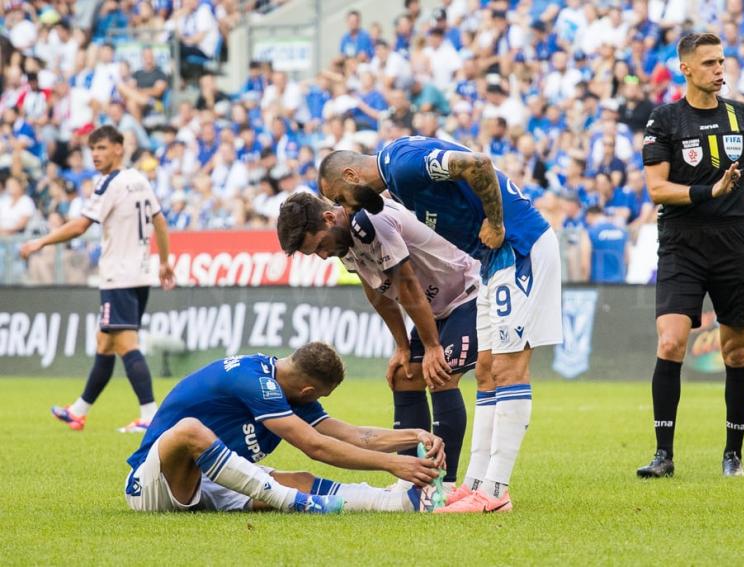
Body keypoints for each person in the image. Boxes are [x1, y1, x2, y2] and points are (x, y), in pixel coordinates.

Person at [317, 136, 563, 513]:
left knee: (508, 369)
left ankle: (495, 492)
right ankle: (474, 485)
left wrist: (496, 223)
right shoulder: (396, 178)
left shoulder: (401, 164)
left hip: (519, 246)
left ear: (351, 175)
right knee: (485, 371)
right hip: (492, 261)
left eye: (339, 197)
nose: (342, 207)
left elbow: (477, 163)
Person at [638, 33, 744, 478]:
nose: (719, 70)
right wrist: (709, 190)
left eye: (722, 61)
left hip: (733, 241)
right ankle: (664, 454)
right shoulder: (664, 120)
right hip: (681, 239)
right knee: (670, 341)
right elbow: (657, 189)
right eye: (708, 63)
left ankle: (732, 454)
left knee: (736, 353)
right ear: (685, 68)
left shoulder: (743, 118)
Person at [277, 191, 481, 490]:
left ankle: (443, 486)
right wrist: (401, 346)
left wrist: (433, 347)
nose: (322, 255)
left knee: (440, 374)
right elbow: (377, 294)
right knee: (404, 375)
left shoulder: (369, 222)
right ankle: (414, 481)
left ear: (330, 217)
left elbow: (408, 285)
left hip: (468, 292)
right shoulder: (343, 243)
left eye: (320, 245)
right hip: (436, 309)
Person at [124, 344, 446, 513]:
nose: (317, 403)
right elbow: (315, 446)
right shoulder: (256, 383)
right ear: (308, 391)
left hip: (207, 480)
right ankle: (290, 501)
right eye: (320, 396)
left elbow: (351, 435)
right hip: (153, 484)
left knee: (302, 481)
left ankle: (397, 501)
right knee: (190, 430)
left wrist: (415, 435)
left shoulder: (286, 385)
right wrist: (393, 463)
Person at [21, 125, 177, 433]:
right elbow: (160, 220)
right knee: (105, 343)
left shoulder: (110, 184)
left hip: (118, 277)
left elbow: (80, 226)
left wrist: (40, 242)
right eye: (92, 149)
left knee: (125, 344)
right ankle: (79, 411)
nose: (95, 154)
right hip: (140, 275)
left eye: (102, 148)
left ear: (119, 148)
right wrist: (164, 262)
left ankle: (149, 414)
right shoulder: (139, 179)